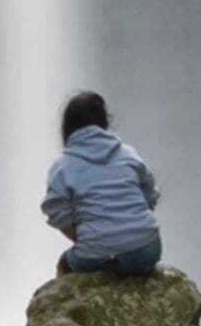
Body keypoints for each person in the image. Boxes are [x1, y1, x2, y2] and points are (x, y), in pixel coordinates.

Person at [41, 90, 161, 275]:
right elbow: (150, 194)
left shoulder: (63, 166)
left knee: (65, 264)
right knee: (135, 263)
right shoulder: (128, 154)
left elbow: (56, 212)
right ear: (105, 121)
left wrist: (90, 240)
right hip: (148, 250)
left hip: (94, 254)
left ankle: (63, 301)